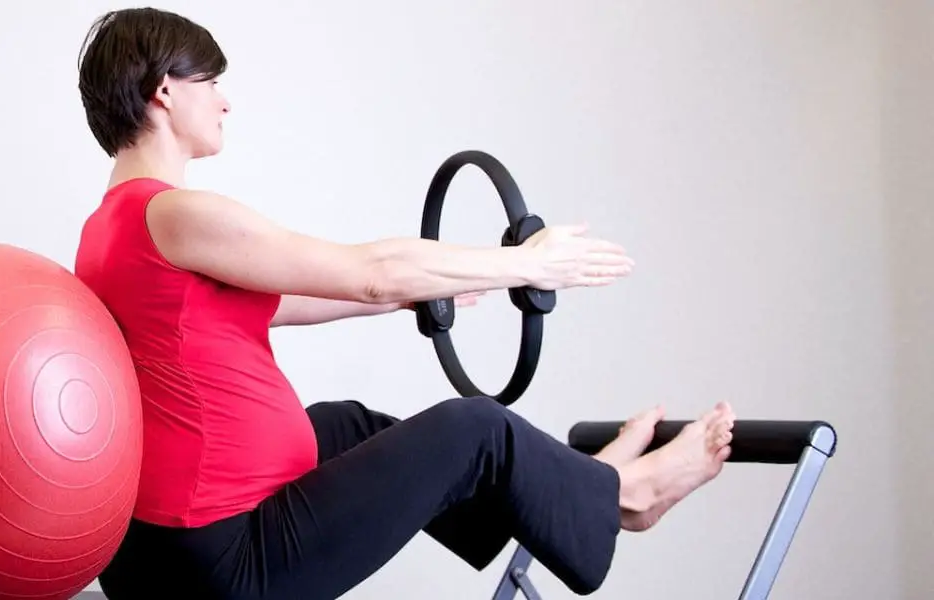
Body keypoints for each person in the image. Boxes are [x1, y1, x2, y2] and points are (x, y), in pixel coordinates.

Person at [72, 8, 736, 600]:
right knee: (473, 428)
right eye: (211, 82)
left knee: (346, 424)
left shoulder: (112, 225)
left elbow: (271, 304)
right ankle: (626, 496)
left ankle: (569, 493)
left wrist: (401, 301)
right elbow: (374, 270)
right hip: (216, 565)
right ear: (165, 91)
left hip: (156, 551)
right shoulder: (178, 212)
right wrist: (528, 265)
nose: (225, 101)